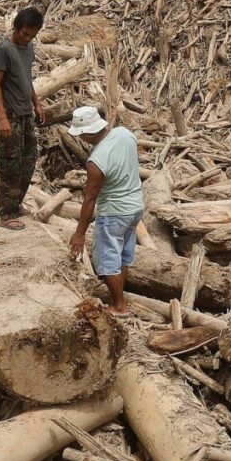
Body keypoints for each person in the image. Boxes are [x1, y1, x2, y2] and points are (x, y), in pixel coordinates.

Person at [67, 106, 144, 318]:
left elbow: (90, 198)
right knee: (123, 255)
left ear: (88, 133)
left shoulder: (96, 162)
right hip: (135, 206)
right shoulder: (125, 134)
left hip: (114, 211)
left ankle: (119, 306)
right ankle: (117, 299)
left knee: (107, 257)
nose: (81, 138)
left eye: (81, 134)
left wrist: (79, 233)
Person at [0, 7, 45, 230]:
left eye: (32, 35)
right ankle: (7, 213)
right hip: (10, 114)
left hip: (25, 113)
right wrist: (2, 117)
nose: (27, 39)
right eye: (24, 34)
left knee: (28, 160)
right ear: (16, 28)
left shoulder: (28, 48)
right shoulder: (3, 50)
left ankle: (16, 203)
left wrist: (37, 103)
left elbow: (26, 78)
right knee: (10, 164)